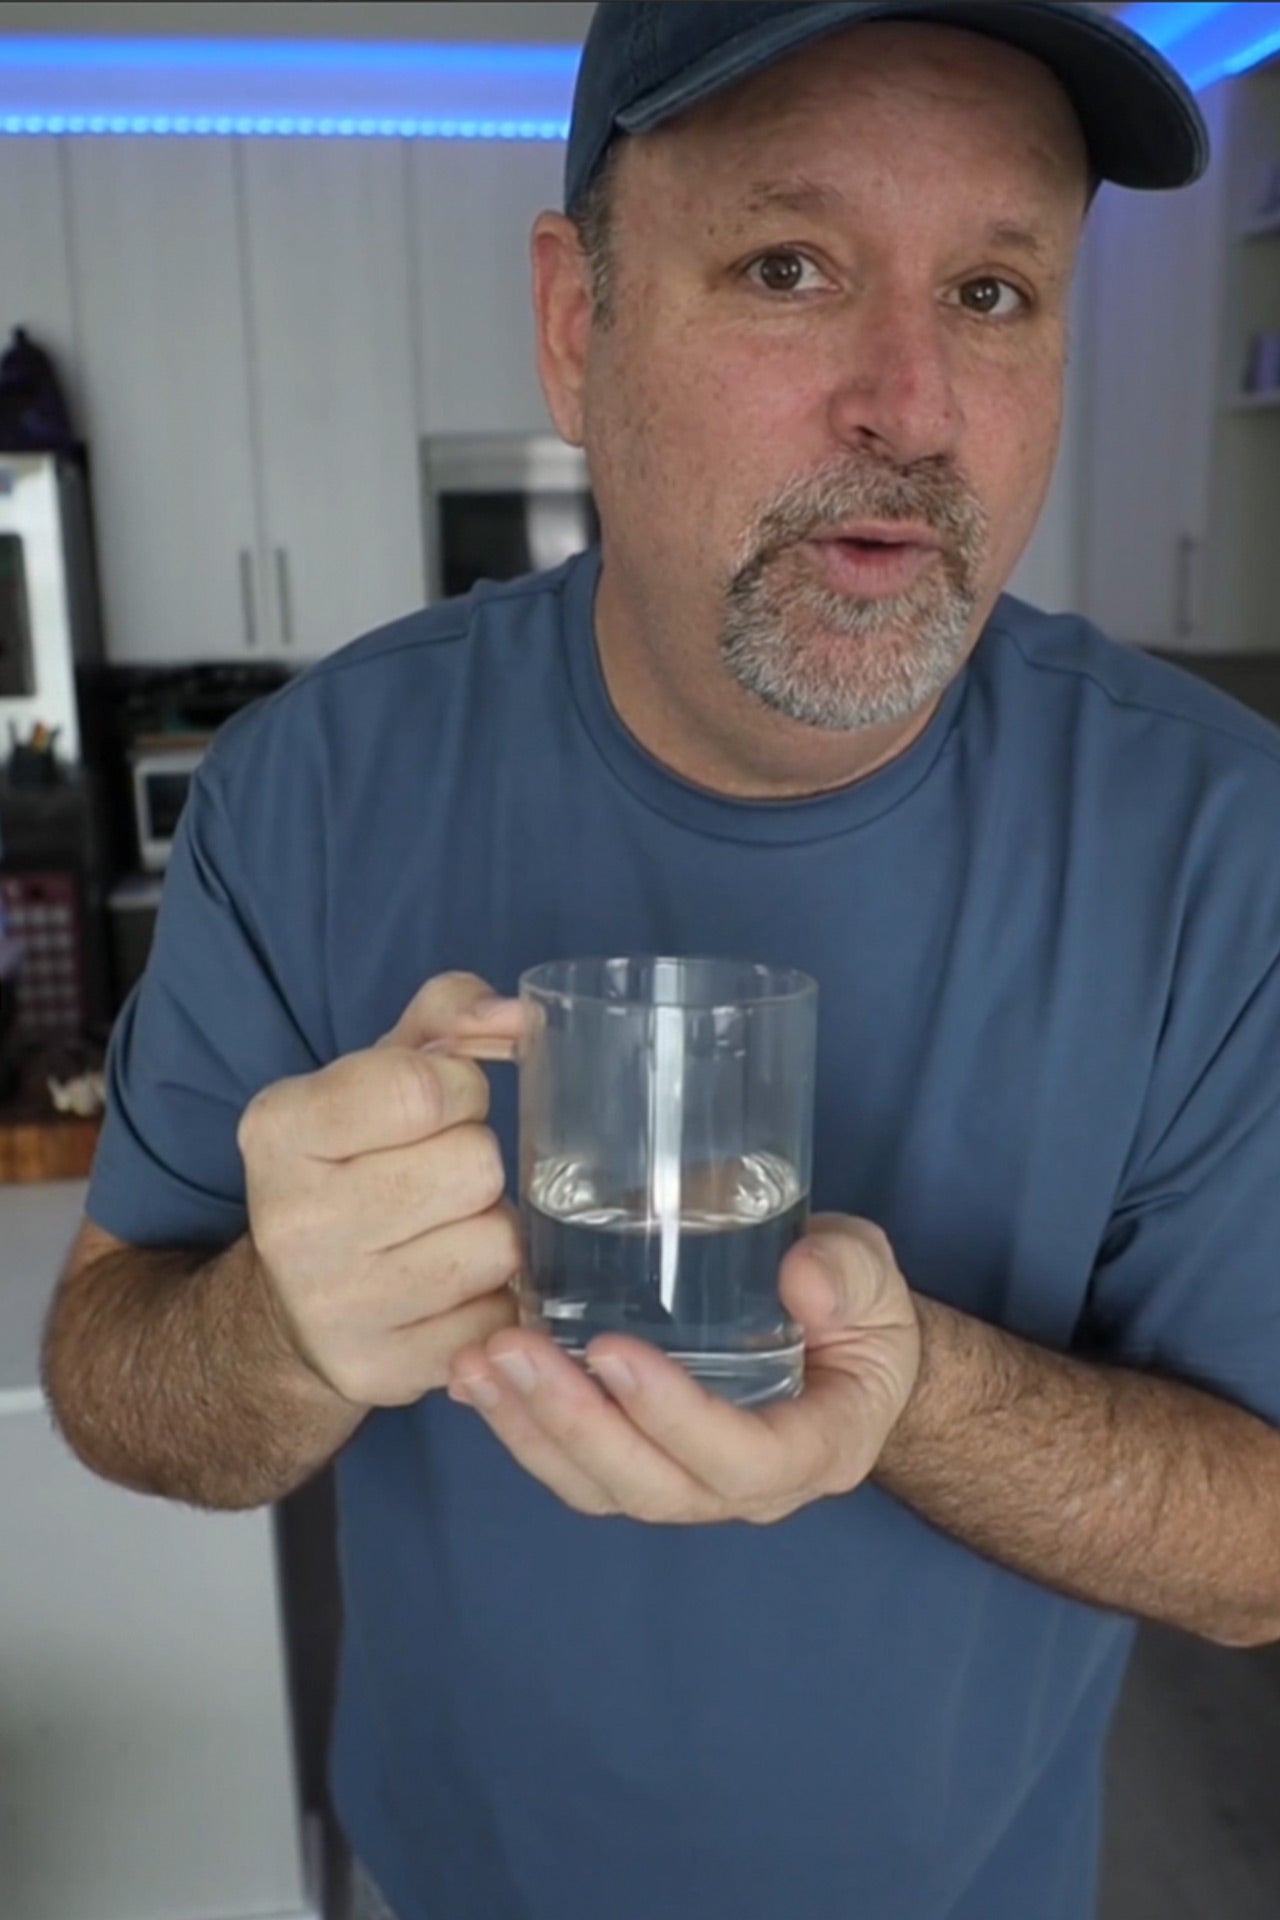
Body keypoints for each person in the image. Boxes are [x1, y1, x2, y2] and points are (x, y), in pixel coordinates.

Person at [41, 4, 1280, 1918]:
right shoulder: (314, 786)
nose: (912, 404)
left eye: (992, 292)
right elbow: (111, 1375)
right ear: (576, 324)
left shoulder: (1219, 844)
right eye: (789, 267)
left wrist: (913, 1393)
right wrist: (279, 1327)